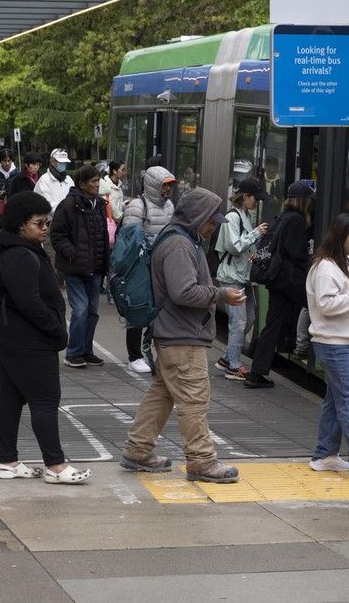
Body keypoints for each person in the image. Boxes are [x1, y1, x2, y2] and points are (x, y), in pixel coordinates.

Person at [120, 187, 244, 483]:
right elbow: (183, 291)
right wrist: (221, 294)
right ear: (196, 216)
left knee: (161, 395)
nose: (213, 227)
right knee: (194, 401)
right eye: (210, 221)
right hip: (182, 337)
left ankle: (138, 450)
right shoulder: (179, 244)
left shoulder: (179, 239)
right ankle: (202, 461)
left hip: (172, 335)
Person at [0, 191, 91, 485]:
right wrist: (57, 331)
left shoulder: (14, 249)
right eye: (39, 223)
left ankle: (8, 462)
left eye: (47, 222)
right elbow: (30, 303)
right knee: (45, 400)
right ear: (21, 225)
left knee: (10, 399)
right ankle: (55, 467)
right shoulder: (21, 255)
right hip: (29, 341)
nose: (45, 228)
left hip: (12, 339)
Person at [307, 213, 349, 479]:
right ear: (340, 236)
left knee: (335, 399)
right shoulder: (325, 268)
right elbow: (327, 305)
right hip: (334, 344)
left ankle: (325, 455)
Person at [245, 179, 315, 389]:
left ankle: (256, 374)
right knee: (319, 307)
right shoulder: (296, 220)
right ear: (303, 201)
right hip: (290, 281)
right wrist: (311, 256)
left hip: (277, 280)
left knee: (272, 326)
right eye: (310, 200)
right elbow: (296, 253)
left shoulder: (283, 216)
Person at [51, 165, 110, 369]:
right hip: (75, 268)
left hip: (96, 268)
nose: (97, 184)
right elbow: (57, 235)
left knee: (93, 311)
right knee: (81, 309)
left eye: (97, 180)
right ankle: (73, 352)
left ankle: (86, 350)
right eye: (93, 181)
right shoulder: (68, 205)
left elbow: (102, 235)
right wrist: (73, 254)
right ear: (82, 183)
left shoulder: (100, 204)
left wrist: (105, 262)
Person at [120, 165, 176, 373]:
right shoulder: (137, 205)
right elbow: (129, 238)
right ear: (153, 184)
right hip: (140, 268)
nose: (168, 189)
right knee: (137, 310)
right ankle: (134, 356)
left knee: (160, 310)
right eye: (165, 185)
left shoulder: (170, 206)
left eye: (170, 185)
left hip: (163, 266)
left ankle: (154, 352)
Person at [214, 176, 268, 381]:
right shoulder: (233, 216)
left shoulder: (244, 214)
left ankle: (227, 358)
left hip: (242, 276)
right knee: (238, 322)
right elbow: (234, 247)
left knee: (250, 318)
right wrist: (255, 234)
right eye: (255, 198)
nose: (257, 202)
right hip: (231, 276)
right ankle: (234, 366)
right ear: (245, 196)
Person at [34, 148, 74, 212]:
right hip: (51, 220)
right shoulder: (44, 180)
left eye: (65, 162)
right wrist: (64, 213)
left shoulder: (68, 179)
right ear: (52, 162)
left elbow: (74, 199)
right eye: (61, 162)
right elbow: (46, 204)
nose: (63, 164)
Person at [0, 148, 16, 232]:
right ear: (0, 161)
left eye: (9, 161)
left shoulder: (16, 173)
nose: (7, 163)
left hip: (13, 208)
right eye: (4, 161)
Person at [99, 160, 126, 224]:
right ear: (114, 171)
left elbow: (116, 204)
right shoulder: (105, 187)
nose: (125, 172)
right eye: (123, 170)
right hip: (110, 223)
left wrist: (124, 204)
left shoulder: (119, 184)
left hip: (118, 222)